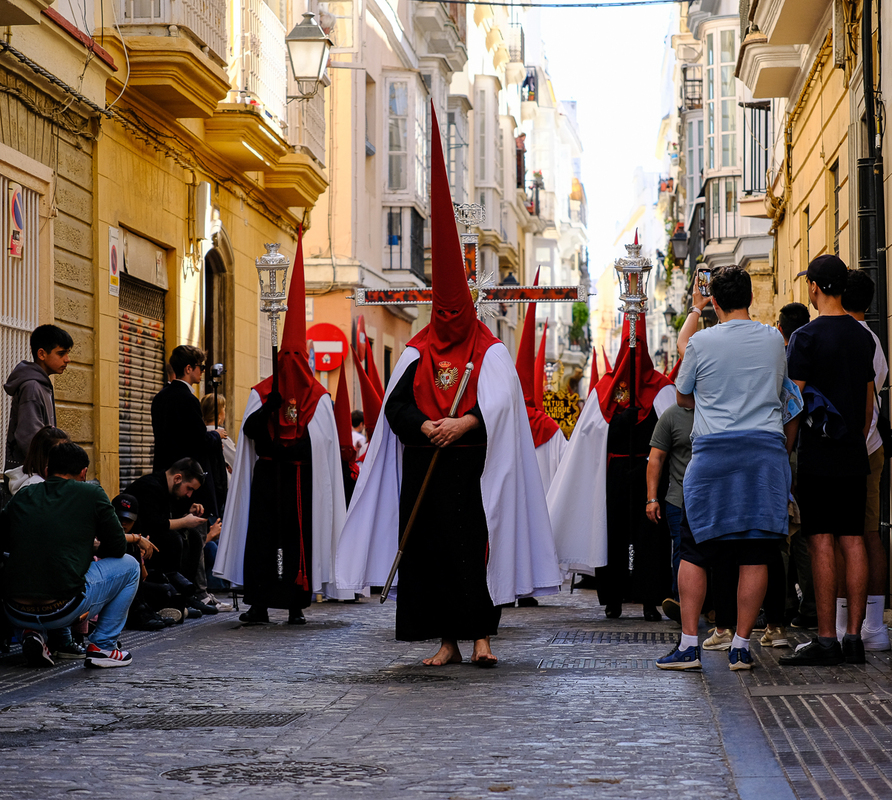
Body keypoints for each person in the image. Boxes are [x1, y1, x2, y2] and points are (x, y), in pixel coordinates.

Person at [335, 107, 561, 666]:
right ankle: (445, 641)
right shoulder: (415, 349)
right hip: (423, 465)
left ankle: (482, 636)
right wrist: (425, 425)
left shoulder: (490, 349)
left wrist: (465, 423)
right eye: (443, 309)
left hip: (469, 469)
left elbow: (501, 407)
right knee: (428, 554)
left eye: (457, 309)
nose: (450, 318)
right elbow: (396, 407)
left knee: (469, 552)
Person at [657, 266, 797, 671]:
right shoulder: (774, 338)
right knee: (757, 548)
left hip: (714, 454)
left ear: (714, 303)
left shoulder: (701, 341)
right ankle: (739, 646)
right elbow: (780, 391)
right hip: (765, 454)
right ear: (751, 299)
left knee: (694, 549)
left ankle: (688, 645)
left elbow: (683, 397)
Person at [214, 228, 348, 625]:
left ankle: (293, 603)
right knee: (262, 541)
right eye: (283, 356)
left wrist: (294, 441)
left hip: (300, 483)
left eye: (295, 356)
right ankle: (258, 603)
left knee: (296, 543)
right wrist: (269, 408)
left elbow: (320, 447)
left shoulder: (319, 400)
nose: (288, 363)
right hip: (268, 478)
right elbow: (251, 433)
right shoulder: (262, 393)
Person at [780, 256, 876, 666]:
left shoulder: (805, 337)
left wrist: (786, 449)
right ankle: (853, 638)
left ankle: (825, 639)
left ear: (816, 287)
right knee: (853, 539)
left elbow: (794, 403)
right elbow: (870, 403)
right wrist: (856, 435)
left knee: (820, 540)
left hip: (818, 455)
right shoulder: (863, 336)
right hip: (854, 452)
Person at [547, 316, 676, 620]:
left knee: (649, 538)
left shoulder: (660, 387)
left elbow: (672, 431)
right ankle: (613, 598)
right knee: (614, 536)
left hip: (649, 472)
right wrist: (618, 422)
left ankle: (649, 599)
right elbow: (590, 433)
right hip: (615, 475)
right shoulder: (606, 389)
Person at [1, 442, 140, 668]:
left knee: (39, 564)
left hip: (15, 610)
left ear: (47, 471)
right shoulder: (91, 493)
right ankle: (103, 646)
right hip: (62, 609)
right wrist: (88, 548)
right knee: (130, 566)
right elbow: (117, 548)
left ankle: (33, 632)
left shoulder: (25, 494)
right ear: (83, 472)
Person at [838, 270, 889, 650]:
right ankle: (866, 622)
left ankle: (866, 625)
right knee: (861, 534)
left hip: (859, 447)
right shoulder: (871, 338)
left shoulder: (857, 338)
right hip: (866, 446)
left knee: (859, 535)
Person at [124, 458, 220, 616]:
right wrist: (184, 521)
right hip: (141, 539)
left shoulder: (169, 490)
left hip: (153, 536)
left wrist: (189, 509)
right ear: (177, 478)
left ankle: (186, 594)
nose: (189, 494)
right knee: (172, 540)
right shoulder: (150, 487)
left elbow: (168, 514)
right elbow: (154, 523)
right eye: (189, 489)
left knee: (194, 537)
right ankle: (173, 598)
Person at [151, 345, 225, 517]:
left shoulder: (160, 398)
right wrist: (216, 435)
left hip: (164, 473)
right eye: (201, 367)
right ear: (189, 368)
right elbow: (199, 441)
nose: (203, 371)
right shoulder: (188, 400)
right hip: (186, 479)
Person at [645, 399, 694, 624]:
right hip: (679, 498)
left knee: (715, 549)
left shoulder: (719, 409)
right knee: (682, 548)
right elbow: (656, 458)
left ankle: (713, 604)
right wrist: (652, 498)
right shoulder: (672, 415)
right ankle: (681, 602)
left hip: (713, 497)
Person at [4, 324, 72, 472]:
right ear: (42, 354)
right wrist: (48, 471)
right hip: (31, 478)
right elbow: (30, 438)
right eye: (61, 353)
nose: (67, 359)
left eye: (68, 353)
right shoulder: (32, 387)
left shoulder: (41, 385)